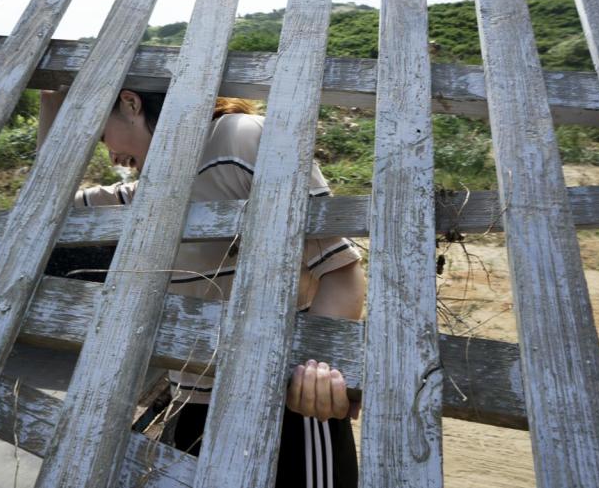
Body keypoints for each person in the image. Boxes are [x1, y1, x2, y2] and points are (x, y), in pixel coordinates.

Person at [39, 88, 365, 487]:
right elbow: (48, 203)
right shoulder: (152, 188)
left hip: (281, 401)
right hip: (194, 402)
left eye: (102, 137)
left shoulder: (240, 137)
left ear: (131, 103)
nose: (110, 157)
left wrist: (316, 368)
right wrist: (51, 98)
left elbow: (340, 271)